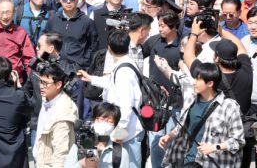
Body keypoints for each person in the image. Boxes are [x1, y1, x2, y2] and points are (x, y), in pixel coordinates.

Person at [159, 63, 246, 168]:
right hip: (187, 161)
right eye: (195, 78)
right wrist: (169, 136)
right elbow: (182, 127)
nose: (194, 82)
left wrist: (215, 147)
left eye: (198, 79)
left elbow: (238, 141)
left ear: (210, 83)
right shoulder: (191, 100)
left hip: (211, 163)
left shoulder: (229, 106)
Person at [79, 29, 144, 168]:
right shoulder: (125, 64)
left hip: (128, 134)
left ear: (109, 48)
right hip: (125, 132)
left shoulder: (124, 71)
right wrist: (91, 78)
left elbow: (126, 107)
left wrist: (118, 135)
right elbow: (111, 82)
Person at [141, 9, 181, 168]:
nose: (160, 29)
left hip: (176, 101)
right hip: (155, 101)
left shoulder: (182, 45)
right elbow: (137, 55)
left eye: (163, 26)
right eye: (159, 25)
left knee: (171, 140)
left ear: (174, 26)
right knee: (156, 139)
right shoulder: (153, 41)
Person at [33, 62, 79, 168]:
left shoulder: (62, 114)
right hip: (41, 160)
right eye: (40, 81)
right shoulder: (48, 98)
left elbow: (61, 154)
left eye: (45, 83)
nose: (41, 86)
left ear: (58, 84)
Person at [45, 0, 98, 72]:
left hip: (77, 71)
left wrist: (84, 64)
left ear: (77, 0)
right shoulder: (52, 20)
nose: (68, 1)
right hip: (54, 69)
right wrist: (46, 61)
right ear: (60, 0)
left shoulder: (87, 22)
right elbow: (45, 43)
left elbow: (93, 47)